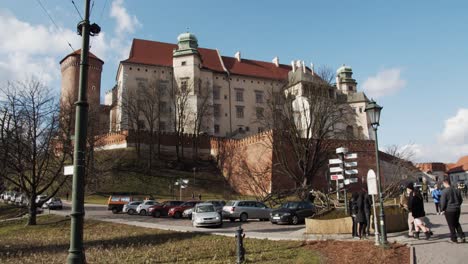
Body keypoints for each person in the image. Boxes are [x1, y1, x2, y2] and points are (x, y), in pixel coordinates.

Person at [440, 179, 465, 243]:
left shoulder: (444, 191)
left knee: (451, 225)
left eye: (443, 183)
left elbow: (443, 202)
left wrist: (442, 209)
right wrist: (457, 205)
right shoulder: (457, 190)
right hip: (457, 209)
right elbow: (461, 200)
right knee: (457, 223)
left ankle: (454, 238)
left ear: (445, 183)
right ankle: (462, 236)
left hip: (449, 210)